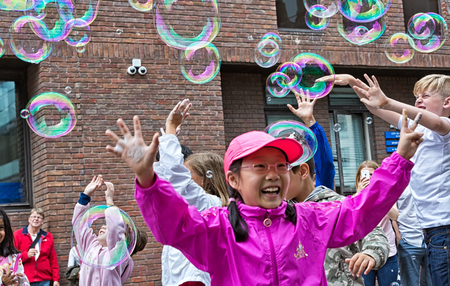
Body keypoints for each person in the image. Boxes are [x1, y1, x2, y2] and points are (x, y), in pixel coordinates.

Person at [104, 107, 422, 285]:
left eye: (281, 165)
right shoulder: (217, 227)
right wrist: (147, 178)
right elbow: (173, 226)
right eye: (260, 166)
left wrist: (401, 158)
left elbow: (359, 210)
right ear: (233, 179)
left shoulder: (311, 217)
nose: (273, 173)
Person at [318, 73, 450, 285]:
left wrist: (387, 100)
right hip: (433, 231)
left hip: (444, 228)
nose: (418, 100)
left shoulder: (444, 127)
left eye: (425, 95)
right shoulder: (419, 128)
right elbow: (375, 108)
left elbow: (435, 122)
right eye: (416, 96)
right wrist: (353, 83)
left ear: (447, 102)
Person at [285, 93, 389, 286]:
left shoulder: (336, 205)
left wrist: (369, 253)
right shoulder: (282, 212)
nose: (275, 178)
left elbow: (374, 233)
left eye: (283, 170)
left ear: (303, 171)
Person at [148, 99, 228, 286]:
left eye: (188, 172)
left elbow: (177, 181)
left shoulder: (211, 205)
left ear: (204, 178)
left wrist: (170, 132)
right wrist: (163, 149)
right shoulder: (198, 205)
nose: (184, 176)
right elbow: (164, 187)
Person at [72, 175, 148, 286]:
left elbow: (116, 230)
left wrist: (109, 200)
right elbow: (79, 225)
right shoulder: (91, 246)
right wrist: (86, 195)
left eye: (107, 226)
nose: (103, 227)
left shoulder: (119, 253)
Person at [354, 161, 399, 286]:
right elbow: (353, 220)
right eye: (364, 175)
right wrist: (360, 195)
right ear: (358, 179)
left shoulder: (386, 194)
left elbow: (394, 216)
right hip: (364, 254)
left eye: (372, 175)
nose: (368, 178)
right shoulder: (353, 199)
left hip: (388, 253)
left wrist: (379, 194)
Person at [287, 89, 335, 190]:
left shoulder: (320, 188)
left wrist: (310, 121)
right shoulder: (281, 203)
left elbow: (324, 161)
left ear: (303, 171)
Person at [13, 208, 59, 286]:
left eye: (39, 217)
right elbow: (12, 257)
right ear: (29, 219)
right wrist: (26, 255)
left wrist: (56, 279)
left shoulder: (48, 236)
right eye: (33, 216)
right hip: (25, 278)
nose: (36, 219)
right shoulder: (17, 235)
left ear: (42, 221)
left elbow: (53, 259)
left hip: (44, 279)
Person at [397, 186, 432, 286]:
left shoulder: (426, 178)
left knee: (434, 281)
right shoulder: (398, 181)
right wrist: (399, 237)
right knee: (410, 283)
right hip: (408, 239)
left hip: (431, 239)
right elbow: (392, 212)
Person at [1, 208, 30, 286]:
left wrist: (20, 281)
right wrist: (2, 282)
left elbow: (25, 282)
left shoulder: (13, 257)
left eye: (0, 228)